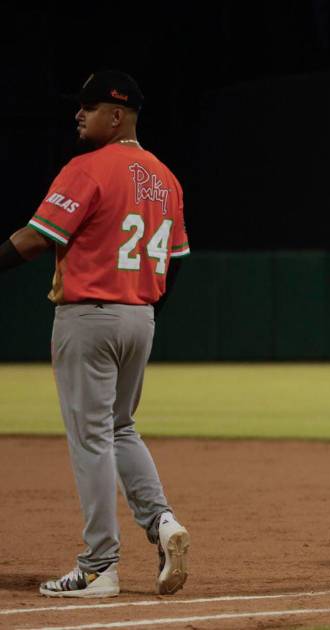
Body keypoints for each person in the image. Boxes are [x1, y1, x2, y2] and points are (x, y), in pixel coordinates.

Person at [0, 71, 191, 598]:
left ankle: (98, 566)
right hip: (140, 316)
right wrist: (142, 308)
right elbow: (176, 260)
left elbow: (36, 239)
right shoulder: (166, 179)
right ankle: (162, 523)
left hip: (89, 316)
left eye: (89, 106)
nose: (78, 114)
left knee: (90, 438)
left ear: (117, 114)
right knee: (120, 428)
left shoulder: (87, 167)